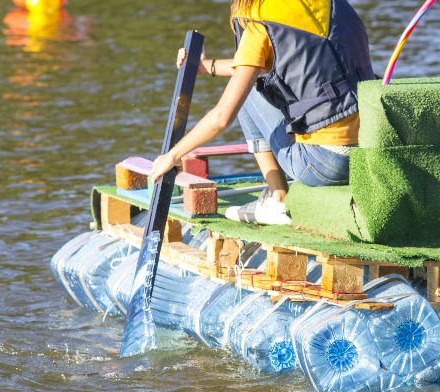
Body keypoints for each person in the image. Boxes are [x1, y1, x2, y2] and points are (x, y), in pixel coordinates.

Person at [149, 0, 374, 225]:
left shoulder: (259, 21)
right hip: (369, 153)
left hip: (324, 164)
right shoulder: (332, 5)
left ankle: (278, 197)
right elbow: (285, 63)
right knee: (252, 80)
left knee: (248, 91)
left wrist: (172, 156)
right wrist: (207, 67)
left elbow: (221, 118)